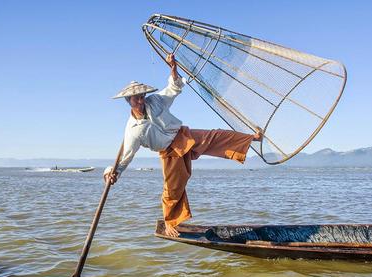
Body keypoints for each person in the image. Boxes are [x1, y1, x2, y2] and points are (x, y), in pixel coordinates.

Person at [104, 54, 262, 237]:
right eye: (136, 99)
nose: (140, 101)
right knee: (172, 188)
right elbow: (125, 158)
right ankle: (170, 222)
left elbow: (173, 88)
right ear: (128, 101)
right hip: (169, 151)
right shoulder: (132, 131)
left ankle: (252, 138)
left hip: (182, 135)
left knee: (216, 136)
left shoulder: (154, 101)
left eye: (141, 96)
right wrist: (112, 173)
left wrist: (173, 67)